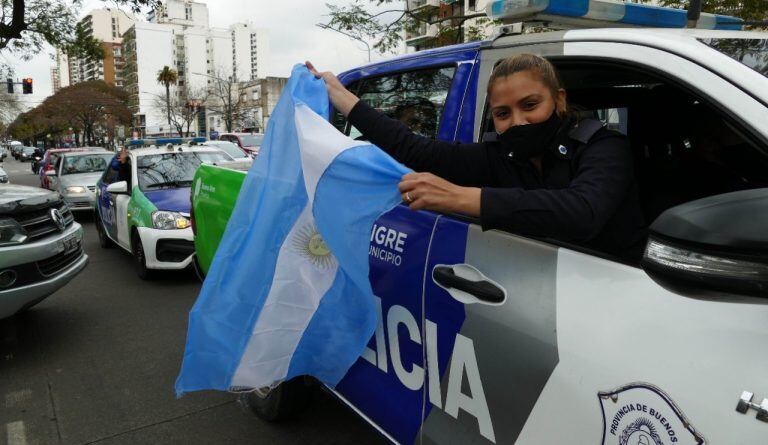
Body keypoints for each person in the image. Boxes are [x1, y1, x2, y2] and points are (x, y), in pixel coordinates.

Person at [306, 55, 646, 261]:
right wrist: (339, 93)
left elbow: (583, 212)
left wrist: (463, 198)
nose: (517, 122)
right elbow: (413, 148)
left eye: (530, 105)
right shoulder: (500, 155)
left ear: (558, 100)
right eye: (502, 113)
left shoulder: (603, 146)